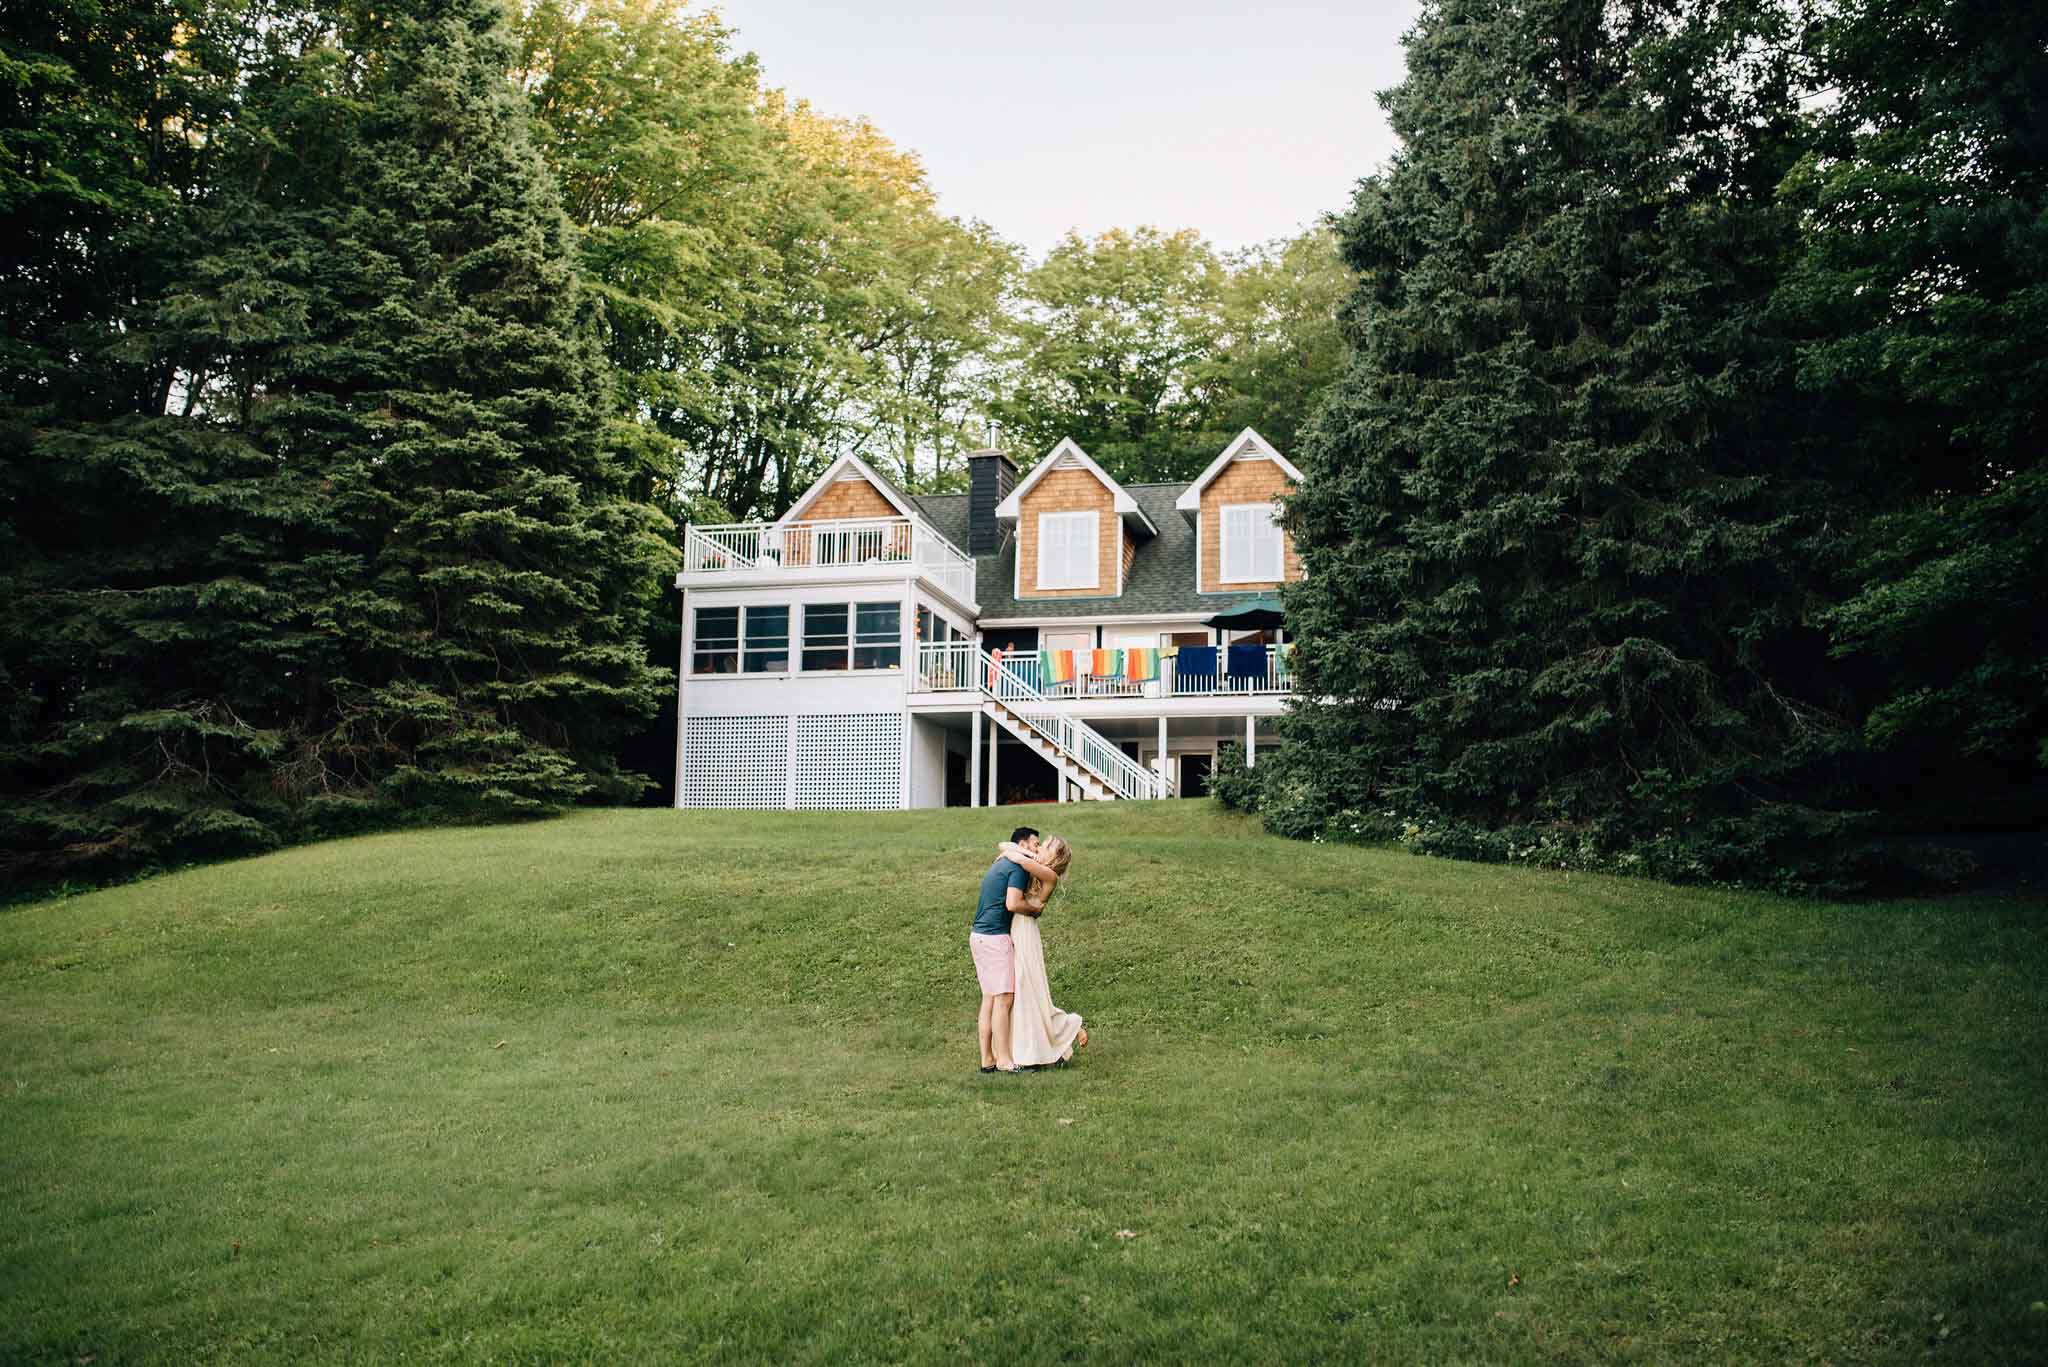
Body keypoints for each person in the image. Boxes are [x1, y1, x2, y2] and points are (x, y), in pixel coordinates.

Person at [997, 835, 1089, 1067]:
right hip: (1017, 928)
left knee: (1029, 987)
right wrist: (1017, 853)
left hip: (1025, 933)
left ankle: (1068, 1027)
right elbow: (1006, 846)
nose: (1039, 847)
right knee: (1023, 989)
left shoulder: (1049, 875)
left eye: (1046, 846)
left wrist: (1017, 854)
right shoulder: (1036, 869)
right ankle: (1029, 1047)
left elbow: (1014, 855)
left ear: (1054, 857)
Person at [970, 827, 1043, 1075]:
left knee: (989, 998)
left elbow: (1004, 845)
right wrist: (1034, 909)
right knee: (1004, 999)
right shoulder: (1019, 867)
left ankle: (987, 1060)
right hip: (995, 938)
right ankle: (1004, 1060)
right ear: (1022, 845)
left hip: (978, 936)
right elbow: (1013, 902)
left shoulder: (1004, 860)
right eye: (1036, 844)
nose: (1038, 848)